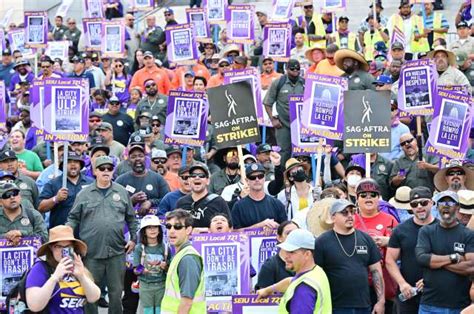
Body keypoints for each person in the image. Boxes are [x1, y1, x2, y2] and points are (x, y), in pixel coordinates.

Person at [67, 156, 138, 314]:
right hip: (91, 252)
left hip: (117, 252)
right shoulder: (84, 194)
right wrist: (67, 237)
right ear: (95, 171)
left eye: (109, 168)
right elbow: (72, 218)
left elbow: (132, 218)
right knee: (90, 292)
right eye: (102, 168)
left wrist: (134, 239)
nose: (106, 171)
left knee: (116, 293)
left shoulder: (121, 192)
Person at [314, 199, 384, 313]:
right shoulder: (322, 242)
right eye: (344, 213)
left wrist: (381, 302)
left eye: (352, 211)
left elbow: (376, 271)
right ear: (333, 217)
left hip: (363, 305)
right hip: (335, 305)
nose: (350, 216)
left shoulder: (365, 239)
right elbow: (316, 274)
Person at [415, 191, 474, 313]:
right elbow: (422, 258)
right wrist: (455, 257)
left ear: (457, 207)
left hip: (459, 306)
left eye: (450, 202)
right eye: (442, 202)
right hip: (429, 305)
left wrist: (436, 262)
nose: (446, 205)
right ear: (437, 207)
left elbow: (471, 267)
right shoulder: (426, 231)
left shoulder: (468, 234)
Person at [25, 225, 101, 312]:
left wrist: (82, 276)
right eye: (58, 246)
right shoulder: (40, 268)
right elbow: (34, 306)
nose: (64, 251)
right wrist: (54, 278)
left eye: (68, 246)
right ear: (51, 248)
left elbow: (94, 297)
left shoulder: (77, 265)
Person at [386, 186, 437, 314]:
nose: (419, 206)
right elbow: (389, 260)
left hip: (436, 293)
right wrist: (402, 283)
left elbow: (451, 259)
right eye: (414, 204)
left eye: (424, 203)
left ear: (431, 203)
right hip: (408, 293)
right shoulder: (401, 230)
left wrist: (432, 278)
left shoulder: (441, 228)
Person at [258, 229, 333, 313]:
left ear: (307, 254)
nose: (286, 256)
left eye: (292, 252)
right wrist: (269, 290)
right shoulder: (317, 272)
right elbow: (291, 281)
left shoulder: (304, 289)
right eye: (286, 251)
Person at [161, 209, 205, 313]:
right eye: (168, 226)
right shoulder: (180, 255)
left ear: (188, 230)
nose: (171, 230)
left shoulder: (188, 258)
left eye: (177, 227)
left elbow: (187, 302)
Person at [264, 59, 305, 166]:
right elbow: (267, 103)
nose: (295, 71)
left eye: (297, 69)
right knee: (284, 152)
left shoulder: (304, 83)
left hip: (301, 125)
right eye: (292, 69)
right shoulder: (278, 83)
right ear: (286, 69)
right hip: (283, 125)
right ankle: (282, 178)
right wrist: (273, 119)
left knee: (302, 153)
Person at [38, 151, 93, 228]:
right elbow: (40, 207)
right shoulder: (53, 183)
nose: (73, 164)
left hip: (85, 231)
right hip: (61, 232)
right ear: (63, 166)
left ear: (80, 165)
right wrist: (56, 199)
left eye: (76, 162)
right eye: (69, 162)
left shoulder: (91, 183)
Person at [116, 144, 170, 216]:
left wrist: (150, 202)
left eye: (140, 156)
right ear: (128, 161)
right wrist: (131, 200)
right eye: (133, 157)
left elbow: (167, 200)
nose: (137, 159)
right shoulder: (121, 180)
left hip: (153, 222)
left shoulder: (158, 178)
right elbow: (114, 201)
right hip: (127, 222)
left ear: (146, 159)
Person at [231, 163, 287, 231]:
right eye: (252, 177)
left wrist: (274, 226)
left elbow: (286, 229)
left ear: (264, 178)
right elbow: (234, 232)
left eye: (260, 176)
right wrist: (259, 226)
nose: (257, 179)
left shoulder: (277, 204)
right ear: (247, 181)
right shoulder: (238, 206)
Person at [175, 162, 230, 230]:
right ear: (189, 180)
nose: (197, 177)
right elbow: (177, 228)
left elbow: (229, 228)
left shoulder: (218, 201)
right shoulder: (181, 202)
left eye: (201, 175)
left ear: (208, 181)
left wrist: (206, 231)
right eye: (193, 175)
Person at [133, 215, 170, 314]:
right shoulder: (139, 248)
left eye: (155, 227)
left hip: (162, 285)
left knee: (160, 310)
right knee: (148, 311)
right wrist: (142, 270)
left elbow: (170, 269)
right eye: (149, 227)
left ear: (159, 230)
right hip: (145, 285)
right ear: (144, 231)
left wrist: (165, 266)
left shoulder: (166, 247)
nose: (152, 230)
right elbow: (136, 269)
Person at [255, 221, 298, 290]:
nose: (293, 237)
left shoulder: (305, 262)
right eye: (288, 233)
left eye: (296, 233)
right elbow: (263, 296)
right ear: (279, 238)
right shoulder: (270, 265)